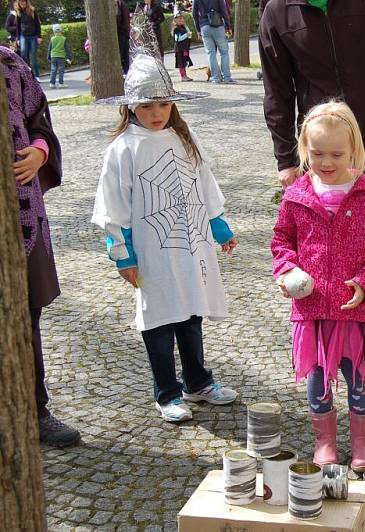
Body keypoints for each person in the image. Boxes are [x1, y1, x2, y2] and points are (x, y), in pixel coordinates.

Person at [259, 0, 365, 369]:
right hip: (323, 151)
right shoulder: (277, 12)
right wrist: (286, 158)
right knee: (321, 245)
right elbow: (277, 92)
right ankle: (328, 326)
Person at [91, 51, 239, 423]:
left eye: (163, 103)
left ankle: (197, 382)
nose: (157, 112)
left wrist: (219, 229)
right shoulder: (123, 149)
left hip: (191, 248)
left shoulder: (184, 140)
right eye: (147, 105)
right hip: (150, 251)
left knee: (190, 313)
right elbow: (114, 207)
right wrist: (123, 255)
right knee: (158, 319)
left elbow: (203, 186)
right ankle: (167, 392)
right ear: (130, 107)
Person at [271, 101, 365, 472]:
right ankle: (324, 440)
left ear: (353, 150)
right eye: (317, 154)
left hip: (352, 308)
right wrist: (286, 271)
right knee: (317, 379)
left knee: (358, 377)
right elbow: (282, 241)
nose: (326, 162)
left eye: (337, 154)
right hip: (311, 310)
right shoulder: (296, 194)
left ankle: (361, 440)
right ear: (304, 150)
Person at [1, 46, 81, 447]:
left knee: (27, 315)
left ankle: (36, 411)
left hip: (23, 214)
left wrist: (38, 152)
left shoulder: (11, 64)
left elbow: (39, 122)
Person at [192, 0, 234, 84]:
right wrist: (228, 25)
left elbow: (194, 14)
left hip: (204, 26)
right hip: (218, 25)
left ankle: (216, 79)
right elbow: (224, 10)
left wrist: (198, 29)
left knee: (211, 53)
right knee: (224, 52)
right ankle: (227, 77)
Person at [7, 0, 42, 77]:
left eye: (24, 2)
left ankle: (36, 75)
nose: (22, 3)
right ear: (18, 3)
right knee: (23, 56)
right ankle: (26, 75)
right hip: (20, 37)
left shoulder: (32, 11)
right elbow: (17, 27)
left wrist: (39, 36)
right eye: (21, 2)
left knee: (33, 57)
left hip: (33, 36)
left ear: (26, 2)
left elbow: (37, 24)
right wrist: (18, 38)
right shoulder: (17, 13)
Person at [46, 23, 72, 89]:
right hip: (61, 57)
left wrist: (48, 57)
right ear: (61, 31)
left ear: (53, 31)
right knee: (61, 70)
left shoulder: (52, 39)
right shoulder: (63, 39)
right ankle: (61, 83)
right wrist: (69, 57)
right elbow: (67, 49)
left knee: (53, 70)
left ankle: (52, 83)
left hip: (53, 57)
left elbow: (49, 49)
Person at [172, 12, 193, 81]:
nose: (181, 20)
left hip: (184, 48)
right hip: (179, 49)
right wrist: (186, 35)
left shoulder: (183, 27)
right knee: (181, 62)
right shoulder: (176, 29)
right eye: (179, 19)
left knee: (184, 61)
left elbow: (189, 33)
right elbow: (177, 38)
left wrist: (187, 30)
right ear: (175, 21)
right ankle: (183, 76)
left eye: (182, 19)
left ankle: (185, 75)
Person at [117, 0, 131, 74]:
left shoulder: (120, 4)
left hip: (122, 34)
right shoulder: (122, 3)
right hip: (123, 33)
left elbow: (123, 20)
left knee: (123, 56)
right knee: (124, 57)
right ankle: (126, 73)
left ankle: (126, 73)